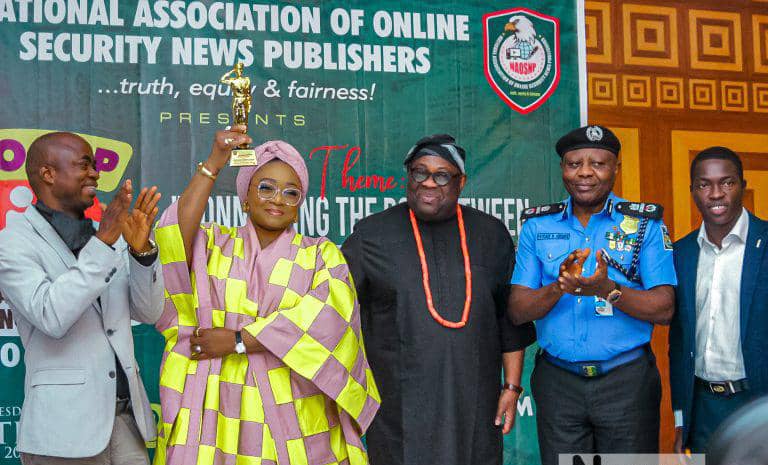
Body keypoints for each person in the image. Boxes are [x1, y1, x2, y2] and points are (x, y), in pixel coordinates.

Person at [153, 125, 379, 465]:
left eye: (291, 193)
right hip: (216, 406)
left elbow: (328, 321)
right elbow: (173, 239)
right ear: (245, 197)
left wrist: (239, 340)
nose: (278, 199)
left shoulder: (320, 255)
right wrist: (215, 162)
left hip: (294, 412)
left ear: (299, 205)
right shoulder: (214, 243)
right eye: (266, 187)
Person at [341, 134, 536, 465]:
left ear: (461, 183)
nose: (428, 183)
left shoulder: (491, 235)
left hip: (473, 403)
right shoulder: (372, 235)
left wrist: (512, 387)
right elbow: (336, 312)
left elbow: (510, 319)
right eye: (420, 172)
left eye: (441, 175)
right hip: (398, 407)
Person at [508, 125, 676, 465]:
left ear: (616, 168)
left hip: (626, 382)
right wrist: (559, 287)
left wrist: (608, 290)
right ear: (562, 169)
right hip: (559, 384)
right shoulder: (538, 227)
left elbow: (664, 308)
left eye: (598, 164)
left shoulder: (645, 225)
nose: (585, 172)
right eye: (574, 164)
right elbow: (518, 310)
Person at [0, 131, 164, 465]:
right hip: (63, 432)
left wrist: (142, 253)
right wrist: (104, 242)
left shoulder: (106, 235)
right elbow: (51, 316)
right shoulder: (13, 241)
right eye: (84, 164)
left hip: (125, 423)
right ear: (48, 174)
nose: (95, 174)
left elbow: (148, 311)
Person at [669, 146, 768, 454]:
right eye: (704, 184)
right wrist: (679, 419)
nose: (716, 194)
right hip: (702, 408)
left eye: (726, 183)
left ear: (742, 186)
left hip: (758, 403)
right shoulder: (681, 254)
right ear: (692, 191)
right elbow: (678, 343)